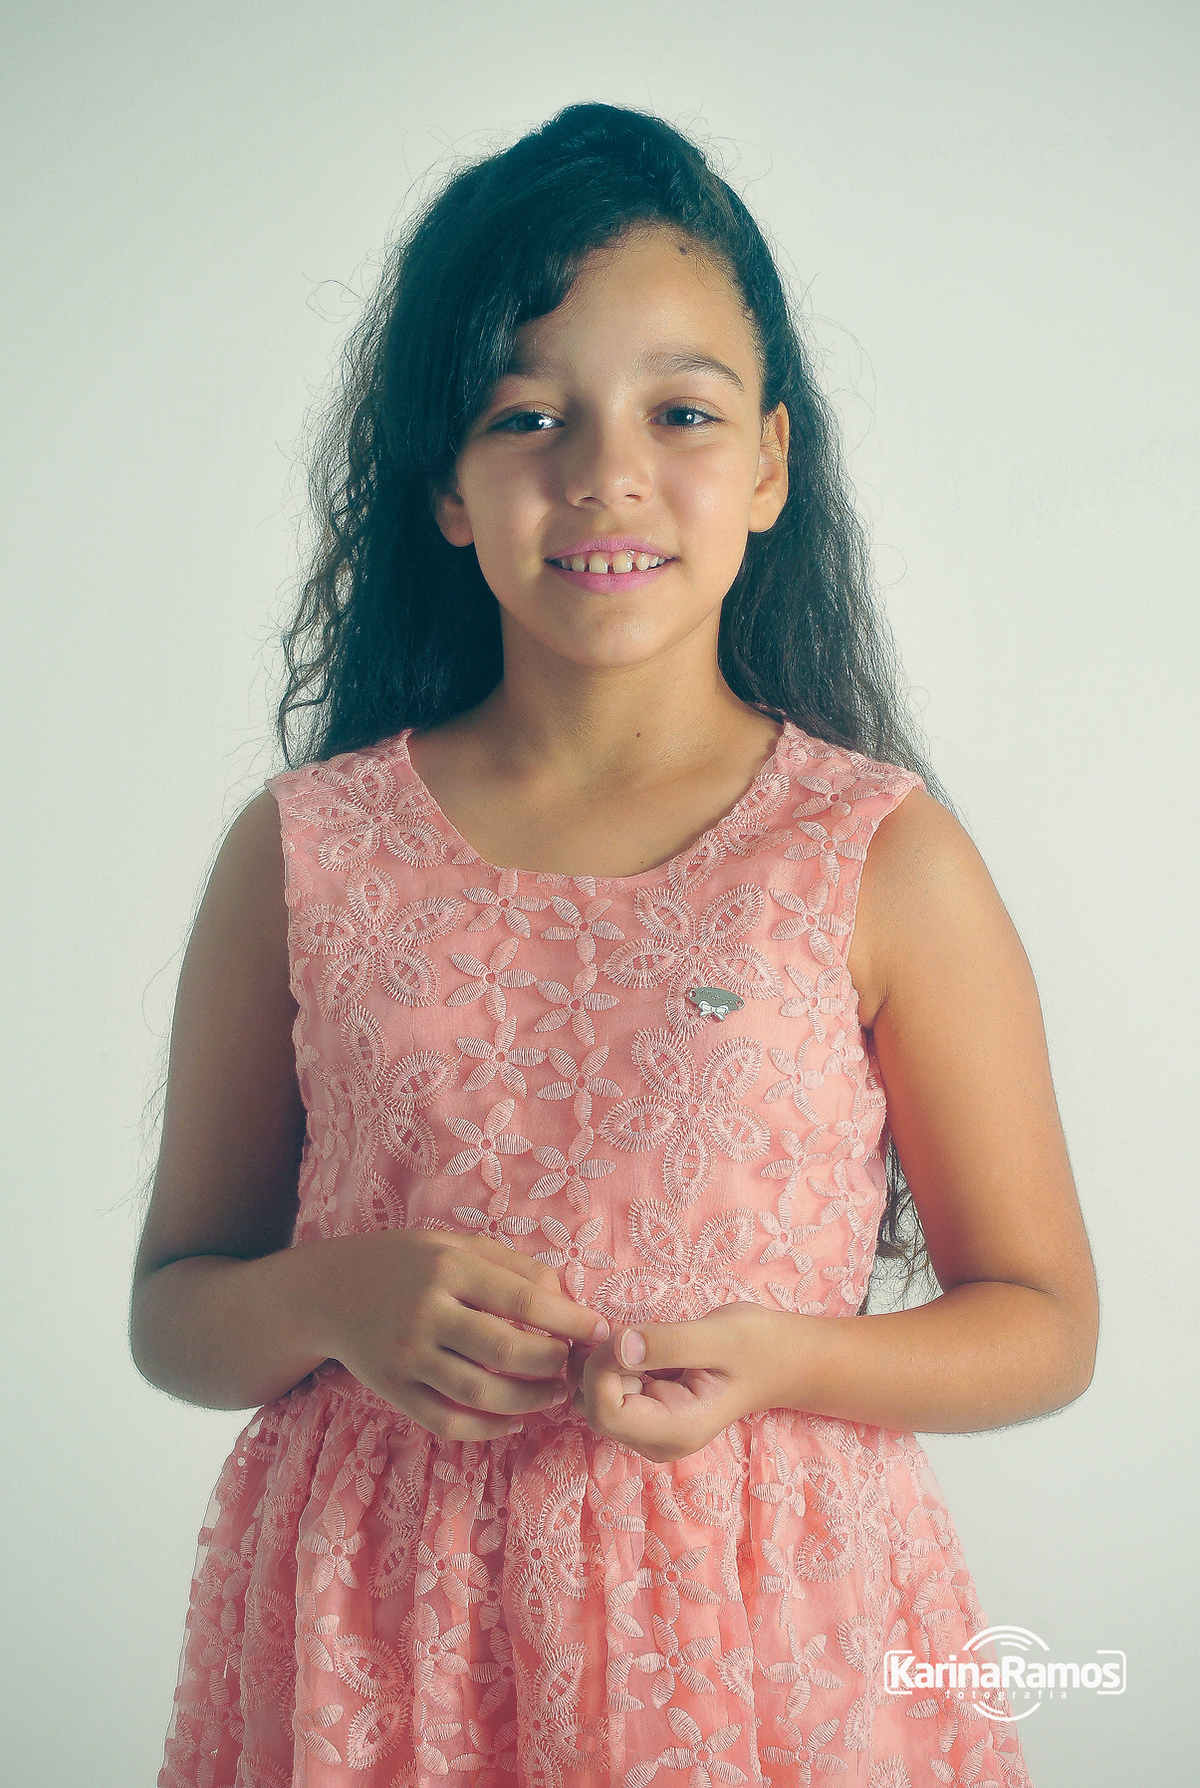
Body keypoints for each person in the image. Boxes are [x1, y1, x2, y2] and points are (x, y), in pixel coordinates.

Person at [131, 101, 1098, 1787]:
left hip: (763, 1641)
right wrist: (334, 1297)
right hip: (382, 1647)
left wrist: (790, 1360)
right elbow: (178, 1312)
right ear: (446, 486)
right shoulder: (306, 852)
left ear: (772, 465)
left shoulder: (877, 856)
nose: (605, 472)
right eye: (527, 415)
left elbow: (1043, 1320)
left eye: (681, 410)